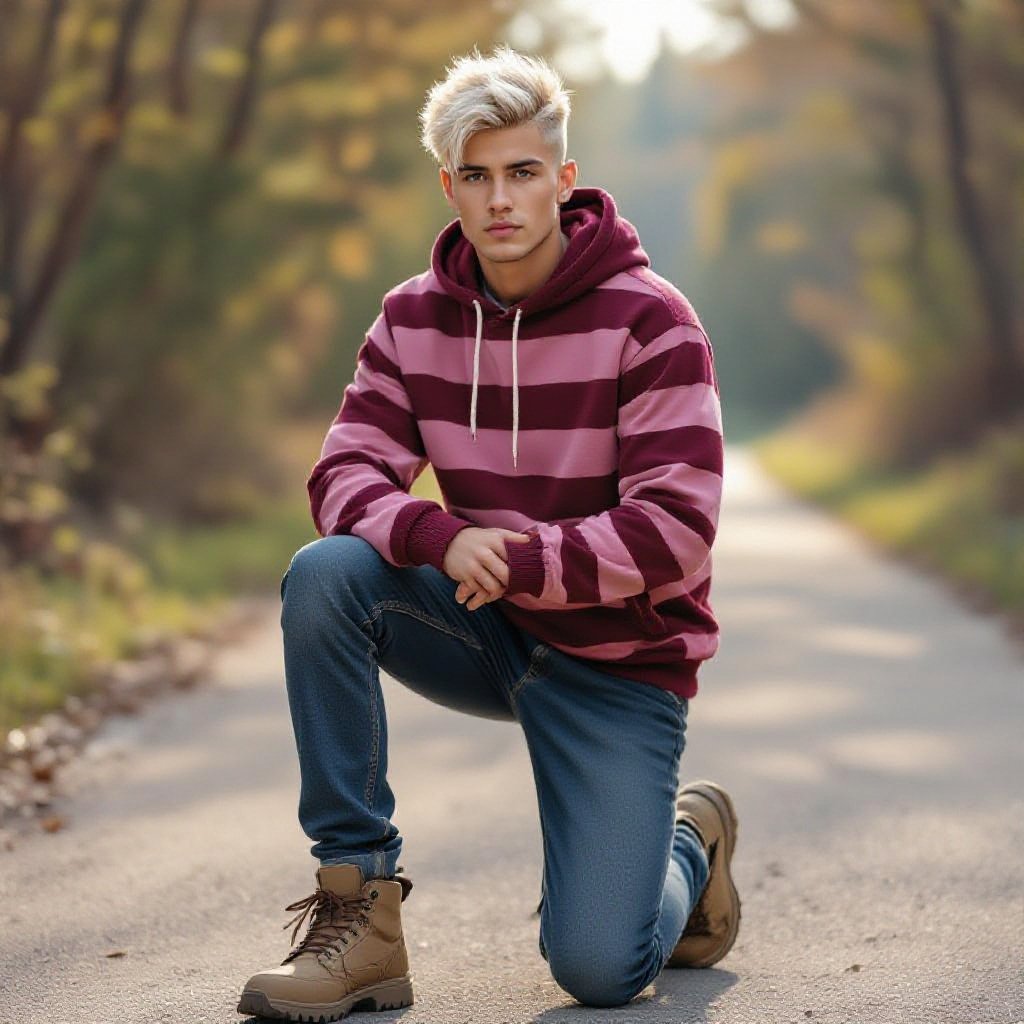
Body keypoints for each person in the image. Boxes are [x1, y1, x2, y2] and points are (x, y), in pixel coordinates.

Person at [237, 44, 739, 1021]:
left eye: (519, 172)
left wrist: (512, 557)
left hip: (616, 664)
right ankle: (361, 918)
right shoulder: (412, 319)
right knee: (327, 576)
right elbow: (342, 473)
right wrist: (430, 532)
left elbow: (676, 530)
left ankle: (687, 842)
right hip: (476, 628)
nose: (499, 198)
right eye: (475, 175)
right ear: (448, 186)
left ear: (563, 178)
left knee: (601, 968)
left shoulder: (651, 322)